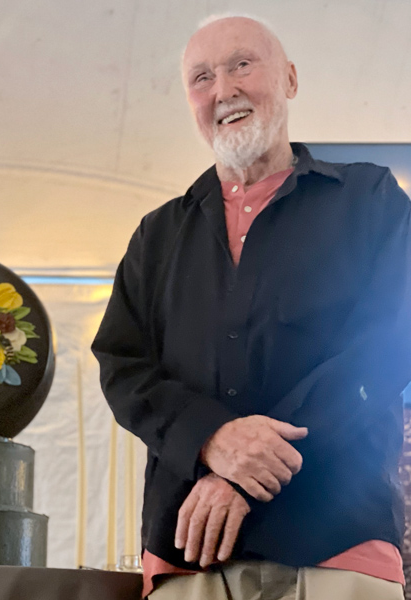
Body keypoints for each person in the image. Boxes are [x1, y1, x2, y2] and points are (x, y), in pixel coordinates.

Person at [92, 13, 411, 600]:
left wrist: (249, 473)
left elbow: (392, 346)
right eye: (201, 77)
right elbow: (122, 367)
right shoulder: (156, 236)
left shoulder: (372, 201)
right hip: (191, 556)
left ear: (289, 78)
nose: (223, 90)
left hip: (337, 545)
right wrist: (212, 441)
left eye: (242, 64)